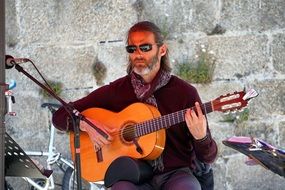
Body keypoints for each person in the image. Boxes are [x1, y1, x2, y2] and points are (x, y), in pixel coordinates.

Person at [52, 21, 218, 190]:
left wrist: (201, 137)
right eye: (132, 49)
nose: (138, 54)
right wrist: (86, 124)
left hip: (175, 174)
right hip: (132, 175)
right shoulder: (118, 91)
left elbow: (208, 157)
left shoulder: (184, 93)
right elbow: (60, 115)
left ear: (162, 50)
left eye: (145, 48)